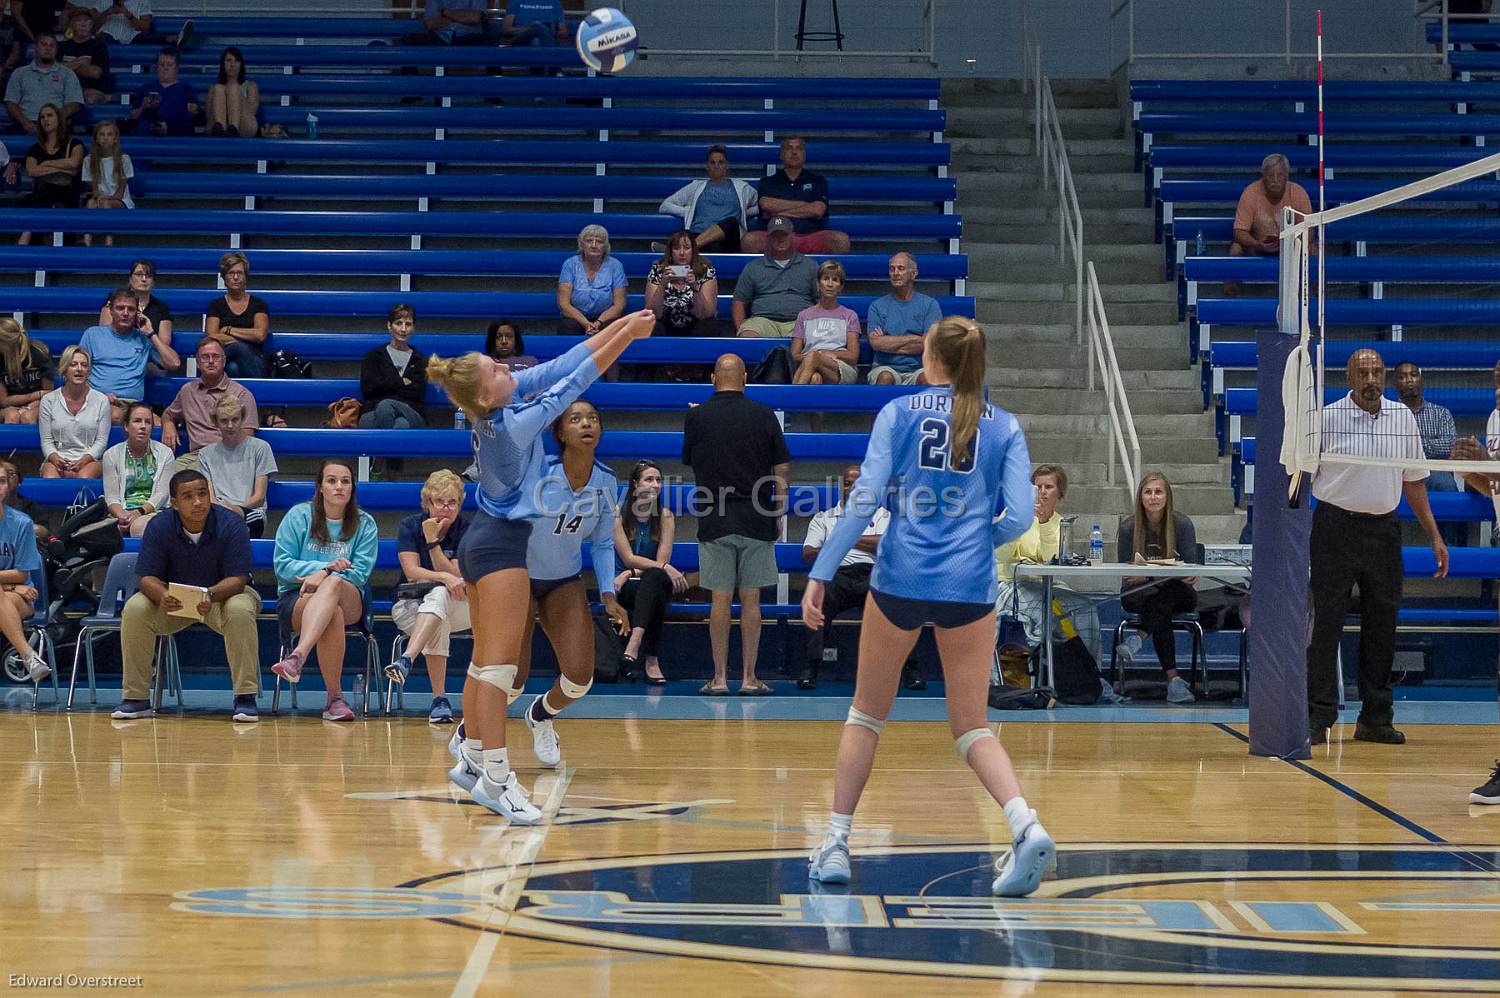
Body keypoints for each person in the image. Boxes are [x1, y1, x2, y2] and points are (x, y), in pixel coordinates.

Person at [802, 315, 1053, 896]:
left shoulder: (898, 412)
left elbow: (863, 502)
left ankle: (837, 843)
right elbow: (1017, 517)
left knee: (866, 716)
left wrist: (820, 572)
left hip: (900, 580)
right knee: (972, 729)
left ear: (931, 359)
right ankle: (1024, 822)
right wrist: (971, 541)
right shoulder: (1006, 426)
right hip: (970, 586)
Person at [427, 309, 654, 822]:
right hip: (502, 543)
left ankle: (472, 760)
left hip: (485, 537)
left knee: (486, 665)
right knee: (500, 669)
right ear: (486, 394)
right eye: (499, 370)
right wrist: (629, 338)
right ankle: (498, 780)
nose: (510, 370)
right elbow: (576, 379)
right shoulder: (511, 423)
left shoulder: (497, 401)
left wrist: (622, 328)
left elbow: (564, 362)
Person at [1307, 349, 1447, 747]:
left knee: (1382, 626)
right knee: (1326, 626)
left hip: (1384, 530)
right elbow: (1300, 478)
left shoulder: (1402, 417)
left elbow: (1415, 481)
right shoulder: (1327, 418)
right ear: (1350, 377)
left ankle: (1375, 718)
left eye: (1376, 372)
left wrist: (1435, 535)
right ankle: (1318, 716)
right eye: (1362, 372)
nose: (1371, 379)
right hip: (1334, 528)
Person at [517, 399, 628, 768]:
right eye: (576, 419)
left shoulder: (607, 480)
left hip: (564, 580)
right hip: (519, 579)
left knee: (580, 677)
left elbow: (601, 541)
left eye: (593, 418)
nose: (586, 424)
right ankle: (471, 734)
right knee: (510, 679)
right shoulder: (537, 474)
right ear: (561, 432)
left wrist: (609, 594)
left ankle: (541, 715)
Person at [109, 468, 260, 722]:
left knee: (240, 608)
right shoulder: (159, 525)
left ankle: (245, 697)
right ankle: (136, 698)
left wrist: (210, 595)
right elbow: (146, 577)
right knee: (135, 608)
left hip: (221, 598)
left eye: (203, 494)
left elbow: (238, 579)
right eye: (189, 496)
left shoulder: (231, 523)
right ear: (175, 503)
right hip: (174, 602)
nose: (198, 502)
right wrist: (162, 595)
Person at [682, 354, 790, 696]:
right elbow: (782, 469)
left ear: (714, 377)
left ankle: (718, 679)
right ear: (744, 376)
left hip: (714, 517)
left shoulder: (696, 416)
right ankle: (749, 678)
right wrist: (777, 513)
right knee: (752, 600)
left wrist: (700, 416)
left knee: (719, 600)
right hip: (756, 515)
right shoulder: (764, 414)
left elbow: (691, 461)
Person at [269, 460, 379, 723]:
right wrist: (325, 566)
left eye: (345, 481)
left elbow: (360, 573)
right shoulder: (298, 516)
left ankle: (298, 656)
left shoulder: (365, 523)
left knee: (334, 585)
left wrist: (325, 575)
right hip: (298, 598)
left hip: (350, 594)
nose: (339, 486)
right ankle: (334, 700)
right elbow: (282, 567)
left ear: (352, 488)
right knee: (333, 613)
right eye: (331, 481)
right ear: (319, 487)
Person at [800, 464, 923, 691]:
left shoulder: (884, 516)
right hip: (836, 575)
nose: (851, 488)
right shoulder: (825, 517)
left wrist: (844, 538)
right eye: (847, 483)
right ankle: (811, 668)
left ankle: (911, 669)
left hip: (873, 575)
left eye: (857, 484)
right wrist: (860, 542)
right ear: (841, 486)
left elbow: (887, 547)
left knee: (901, 601)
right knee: (817, 601)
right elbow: (808, 553)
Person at [995, 464, 1103, 670]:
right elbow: (1004, 554)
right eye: (1037, 487)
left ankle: (1091, 673)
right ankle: (1044, 674)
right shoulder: (1013, 515)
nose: (1042, 493)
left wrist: (1042, 523)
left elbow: (1049, 559)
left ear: (1059, 493)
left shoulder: (1061, 523)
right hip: (1008, 583)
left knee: (1085, 608)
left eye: (1048, 487)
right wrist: (1027, 520)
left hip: (1043, 584)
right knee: (1045, 611)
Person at [384, 469, 470, 725]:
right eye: (440, 502)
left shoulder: (467, 528)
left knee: (441, 598)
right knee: (439, 603)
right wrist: (443, 577)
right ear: (428, 503)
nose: (446, 508)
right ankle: (439, 700)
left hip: (460, 608)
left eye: (452, 502)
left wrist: (433, 543)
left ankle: (407, 659)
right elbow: (411, 573)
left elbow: (457, 571)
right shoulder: (410, 525)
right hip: (410, 605)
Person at [1114, 473, 1201, 704]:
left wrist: (1149, 574)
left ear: (1167, 496)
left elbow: (1189, 572)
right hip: (1139, 594)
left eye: (1158, 491)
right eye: (1148, 492)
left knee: (1164, 597)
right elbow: (1126, 573)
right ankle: (1173, 682)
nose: (1153, 497)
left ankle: (1139, 638)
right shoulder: (1128, 527)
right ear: (1141, 497)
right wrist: (1163, 574)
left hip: (1177, 593)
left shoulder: (1182, 524)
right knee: (1160, 602)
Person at [613, 459, 690, 685]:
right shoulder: (618, 514)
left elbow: (661, 561)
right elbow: (628, 558)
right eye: (649, 479)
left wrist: (631, 571)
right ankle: (652, 661)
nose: (655, 485)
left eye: (658, 480)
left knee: (654, 580)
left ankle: (635, 640)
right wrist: (629, 572)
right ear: (635, 484)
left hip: (648, 579)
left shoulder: (665, 516)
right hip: (624, 585)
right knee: (654, 591)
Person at [1394, 360, 1464, 547]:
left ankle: (1452, 547)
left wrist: (1411, 446)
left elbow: (1449, 445)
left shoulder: (1441, 413)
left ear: (1421, 379)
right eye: (1402, 376)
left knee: (1447, 486)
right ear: (1395, 383)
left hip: (1434, 469)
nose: (1409, 380)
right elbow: (1388, 448)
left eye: (1413, 375)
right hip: (1397, 471)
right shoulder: (1388, 413)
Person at [742, 135, 851, 255]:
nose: (794, 152)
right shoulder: (768, 181)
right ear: (781, 154)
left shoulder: (818, 181)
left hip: (811, 235)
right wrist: (805, 205)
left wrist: (779, 212)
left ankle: (829, 274)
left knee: (841, 240)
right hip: (776, 235)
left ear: (804, 154)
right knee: (750, 240)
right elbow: (766, 205)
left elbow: (817, 210)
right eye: (789, 148)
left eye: (798, 148)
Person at [79, 287, 178, 415]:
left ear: (137, 313)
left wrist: (151, 333)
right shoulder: (92, 335)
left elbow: (174, 363)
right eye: (120, 308)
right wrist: (96, 396)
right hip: (100, 401)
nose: (125, 313)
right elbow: (76, 371)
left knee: (161, 426)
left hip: (134, 406)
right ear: (111, 311)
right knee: (115, 415)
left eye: (131, 309)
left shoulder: (143, 339)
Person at [160, 338, 257, 466]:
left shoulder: (242, 394)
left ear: (224, 362)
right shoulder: (187, 391)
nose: (211, 361)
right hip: (195, 456)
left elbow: (247, 439)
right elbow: (168, 414)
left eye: (215, 357)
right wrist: (168, 425)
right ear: (198, 363)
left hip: (228, 457)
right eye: (205, 357)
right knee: (165, 476)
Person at [196, 394, 275, 538]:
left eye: (235, 419)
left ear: (242, 419)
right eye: (224, 421)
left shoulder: (260, 448)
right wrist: (225, 511)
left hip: (251, 512)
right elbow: (211, 497)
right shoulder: (205, 454)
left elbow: (259, 497)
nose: (230, 426)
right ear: (216, 422)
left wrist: (235, 509)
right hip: (218, 512)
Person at [657, 144, 758, 254]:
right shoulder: (696, 187)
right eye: (712, 162)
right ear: (707, 166)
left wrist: (745, 212)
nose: (716, 166)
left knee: (731, 222)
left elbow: (761, 204)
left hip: (726, 241)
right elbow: (665, 206)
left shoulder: (742, 188)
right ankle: (689, 248)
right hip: (699, 235)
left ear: (727, 166)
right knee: (682, 233)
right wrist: (688, 211)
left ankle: (684, 249)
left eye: (720, 162)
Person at [732, 216, 818, 338]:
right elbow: (739, 301)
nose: (780, 239)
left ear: (793, 236)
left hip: (799, 321)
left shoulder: (810, 266)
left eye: (784, 235)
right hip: (762, 321)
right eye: (775, 236)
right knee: (748, 334)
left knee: (814, 337)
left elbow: (821, 300)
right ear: (768, 238)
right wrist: (740, 328)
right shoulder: (753, 267)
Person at [0, 464, 48, 682]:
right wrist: (9, 585)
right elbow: (16, 578)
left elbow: (22, 574)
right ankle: (28, 655)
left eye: (1, 481)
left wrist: (13, 585)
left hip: (21, 597)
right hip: (13, 592)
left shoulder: (21, 522)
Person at [867, 252, 943, 386]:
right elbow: (876, 343)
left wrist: (888, 342)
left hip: (919, 368)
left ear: (913, 274)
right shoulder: (877, 306)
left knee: (927, 378)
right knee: (885, 378)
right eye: (892, 269)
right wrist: (915, 338)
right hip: (884, 366)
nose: (895, 273)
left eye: (900, 268)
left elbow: (929, 344)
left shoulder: (930, 305)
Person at [102, 400, 172, 537]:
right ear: (126, 426)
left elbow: (162, 494)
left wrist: (138, 512)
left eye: (148, 422)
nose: (143, 426)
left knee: (139, 527)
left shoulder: (165, 453)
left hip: (154, 512)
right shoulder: (111, 455)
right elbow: (111, 498)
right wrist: (123, 516)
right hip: (121, 513)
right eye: (137, 421)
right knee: (105, 533)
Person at [15, 102, 80, 247]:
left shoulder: (74, 144)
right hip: (43, 193)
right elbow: (32, 170)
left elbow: (74, 163)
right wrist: (62, 167)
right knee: (47, 190)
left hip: (67, 193)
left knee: (50, 192)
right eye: (42, 117)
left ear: (59, 118)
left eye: (50, 115)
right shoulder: (34, 149)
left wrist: (45, 164)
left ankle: (27, 231)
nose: (46, 119)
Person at [37, 345, 108, 478]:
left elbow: (101, 441)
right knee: (50, 478)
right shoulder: (48, 400)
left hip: (90, 459)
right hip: (57, 457)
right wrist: (55, 459)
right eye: (73, 364)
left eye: (84, 365)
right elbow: (46, 440)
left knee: (84, 476)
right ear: (64, 370)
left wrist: (84, 460)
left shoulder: (101, 400)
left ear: (89, 371)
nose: (79, 369)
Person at [98, 260, 175, 374]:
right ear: (130, 279)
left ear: (154, 282)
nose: (144, 279)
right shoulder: (114, 301)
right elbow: (105, 336)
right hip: (117, 356)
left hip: (149, 358)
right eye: (139, 275)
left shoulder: (161, 307)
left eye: (148, 276)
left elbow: (163, 344)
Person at [791, 260, 861, 385]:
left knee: (813, 357)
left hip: (842, 367)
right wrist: (815, 357)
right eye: (825, 279)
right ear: (818, 284)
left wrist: (825, 354)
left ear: (840, 287)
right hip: (810, 364)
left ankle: (789, 398)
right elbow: (795, 354)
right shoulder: (804, 315)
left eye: (835, 280)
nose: (830, 284)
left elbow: (853, 356)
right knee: (815, 379)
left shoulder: (850, 315)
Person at [359, 303, 427, 430]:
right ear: (389, 326)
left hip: (410, 411)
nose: (403, 329)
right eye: (398, 323)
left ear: (413, 328)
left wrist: (385, 386)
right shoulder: (374, 356)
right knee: (400, 425)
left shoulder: (419, 360)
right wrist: (401, 382)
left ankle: (379, 448)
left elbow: (417, 393)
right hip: (373, 409)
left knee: (387, 406)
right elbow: (368, 389)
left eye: (408, 324)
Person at [1231, 153, 1313, 258]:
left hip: (1292, 247)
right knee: (1236, 248)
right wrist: (1257, 244)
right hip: (1257, 246)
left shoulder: (1298, 192)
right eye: (1270, 175)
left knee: (1313, 248)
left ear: (1287, 176)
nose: (1275, 180)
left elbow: (1308, 231)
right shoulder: (1250, 192)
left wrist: (1290, 244)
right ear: (1263, 176)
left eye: (1280, 175)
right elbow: (1239, 232)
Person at [203, 251, 268, 378]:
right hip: (224, 355)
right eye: (231, 273)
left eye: (239, 273)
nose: (236, 277)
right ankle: (260, 394)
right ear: (224, 278)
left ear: (246, 277)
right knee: (239, 348)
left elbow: (260, 335)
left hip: (254, 357)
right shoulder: (216, 305)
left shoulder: (259, 304)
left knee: (234, 369)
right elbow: (211, 337)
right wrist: (245, 338)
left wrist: (228, 330)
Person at [644, 229, 719, 338]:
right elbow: (654, 313)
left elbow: (705, 315)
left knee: (708, 326)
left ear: (693, 251)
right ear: (670, 252)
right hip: (665, 324)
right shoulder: (658, 270)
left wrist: (695, 288)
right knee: (652, 326)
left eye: (687, 248)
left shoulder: (706, 271)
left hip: (696, 324)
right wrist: (662, 285)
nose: (682, 253)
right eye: (677, 248)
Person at [557, 224, 628, 336]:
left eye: (599, 241)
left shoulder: (616, 265)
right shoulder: (570, 264)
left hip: (606, 318)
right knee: (568, 327)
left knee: (612, 328)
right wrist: (586, 324)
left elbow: (619, 304)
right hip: (576, 317)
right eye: (589, 241)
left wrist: (598, 322)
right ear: (581, 244)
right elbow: (564, 304)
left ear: (606, 246)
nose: (594, 245)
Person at [4, 33, 81, 131]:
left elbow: (73, 104)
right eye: (44, 44)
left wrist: (54, 121)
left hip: (57, 124)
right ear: (35, 48)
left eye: (52, 45)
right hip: (26, 124)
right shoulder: (19, 73)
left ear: (56, 50)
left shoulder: (68, 74)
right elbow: (11, 103)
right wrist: (26, 123)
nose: (48, 48)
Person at [80, 117, 131, 247]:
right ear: (96, 138)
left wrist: (105, 198)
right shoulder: (89, 160)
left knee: (107, 204)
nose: (105, 138)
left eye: (109, 134)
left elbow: (120, 193)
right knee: (90, 202)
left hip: (120, 201)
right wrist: (99, 197)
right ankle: (87, 242)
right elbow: (94, 191)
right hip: (100, 199)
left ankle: (108, 242)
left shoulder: (123, 159)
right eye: (102, 134)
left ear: (115, 138)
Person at [126, 46, 195, 137]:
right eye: (162, 64)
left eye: (169, 65)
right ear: (157, 67)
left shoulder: (186, 90)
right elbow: (132, 116)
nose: (165, 68)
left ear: (177, 67)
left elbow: (192, 115)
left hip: (177, 135)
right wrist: (143, 107)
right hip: (146, 134)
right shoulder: (145, 88)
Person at [0, 317, 50, 424]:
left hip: (37, 404)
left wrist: (32, 405)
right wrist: (35, 395)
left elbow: (49, 394)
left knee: (28, 416)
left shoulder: (38, 353)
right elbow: (4, 401)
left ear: (6, 343)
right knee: (12, 416)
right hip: (7, 408)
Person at [205, 46, 258, 138]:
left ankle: (233, 129)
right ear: (223, 64)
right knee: (218, 88)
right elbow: (208, 115)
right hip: (218, 125)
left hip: (244, 125)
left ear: (241, 65)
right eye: (228, 60)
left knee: (234, 89)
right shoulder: (214, 88)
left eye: (236, 61)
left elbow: (252, 112)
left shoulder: (250, 86)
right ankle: (221, 130)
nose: (232, 64)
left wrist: (234, 97)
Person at [58, 9, 108, 104]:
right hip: (63, 89)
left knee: (90, 98)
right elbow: (53, 70)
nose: (83, 24)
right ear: (71, 25)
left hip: (90, 89)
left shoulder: (98, 46)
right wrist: (80, 62)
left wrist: (66, 67)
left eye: (87, 20)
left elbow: (95, 73)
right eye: (78, 20)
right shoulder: (61, 46)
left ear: (92, 24)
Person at [403, 0, 500, 45]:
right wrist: (462, 17)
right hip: (441, 35)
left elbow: (475, 18)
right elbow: (430, 24)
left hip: (469, 35)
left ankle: (494, 79)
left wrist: (446, 13)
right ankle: (410, 78)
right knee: (408, 39)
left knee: (492, 38)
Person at [2, 460, 50, 542]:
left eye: (10, 473)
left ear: (19, 481)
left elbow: (43, 532)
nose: (6, 477)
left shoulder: (30, 506)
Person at [78, 0, 156, 45]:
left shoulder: (142, 2)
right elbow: (92, 28)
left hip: (132, 41)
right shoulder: (103, 1)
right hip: (106, 39)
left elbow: (145, 27)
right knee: (102, 37)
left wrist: (127, 14)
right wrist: (107, 12)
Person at [501, 0, 567, 47]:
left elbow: (563, 32)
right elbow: (506, 29)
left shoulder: (555, 2)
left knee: (536, 42)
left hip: (547, 36)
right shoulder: (516, 1)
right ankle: (554, 62)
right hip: (521, 38)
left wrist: (553, 32)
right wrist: (533, 29)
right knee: (538, 28)